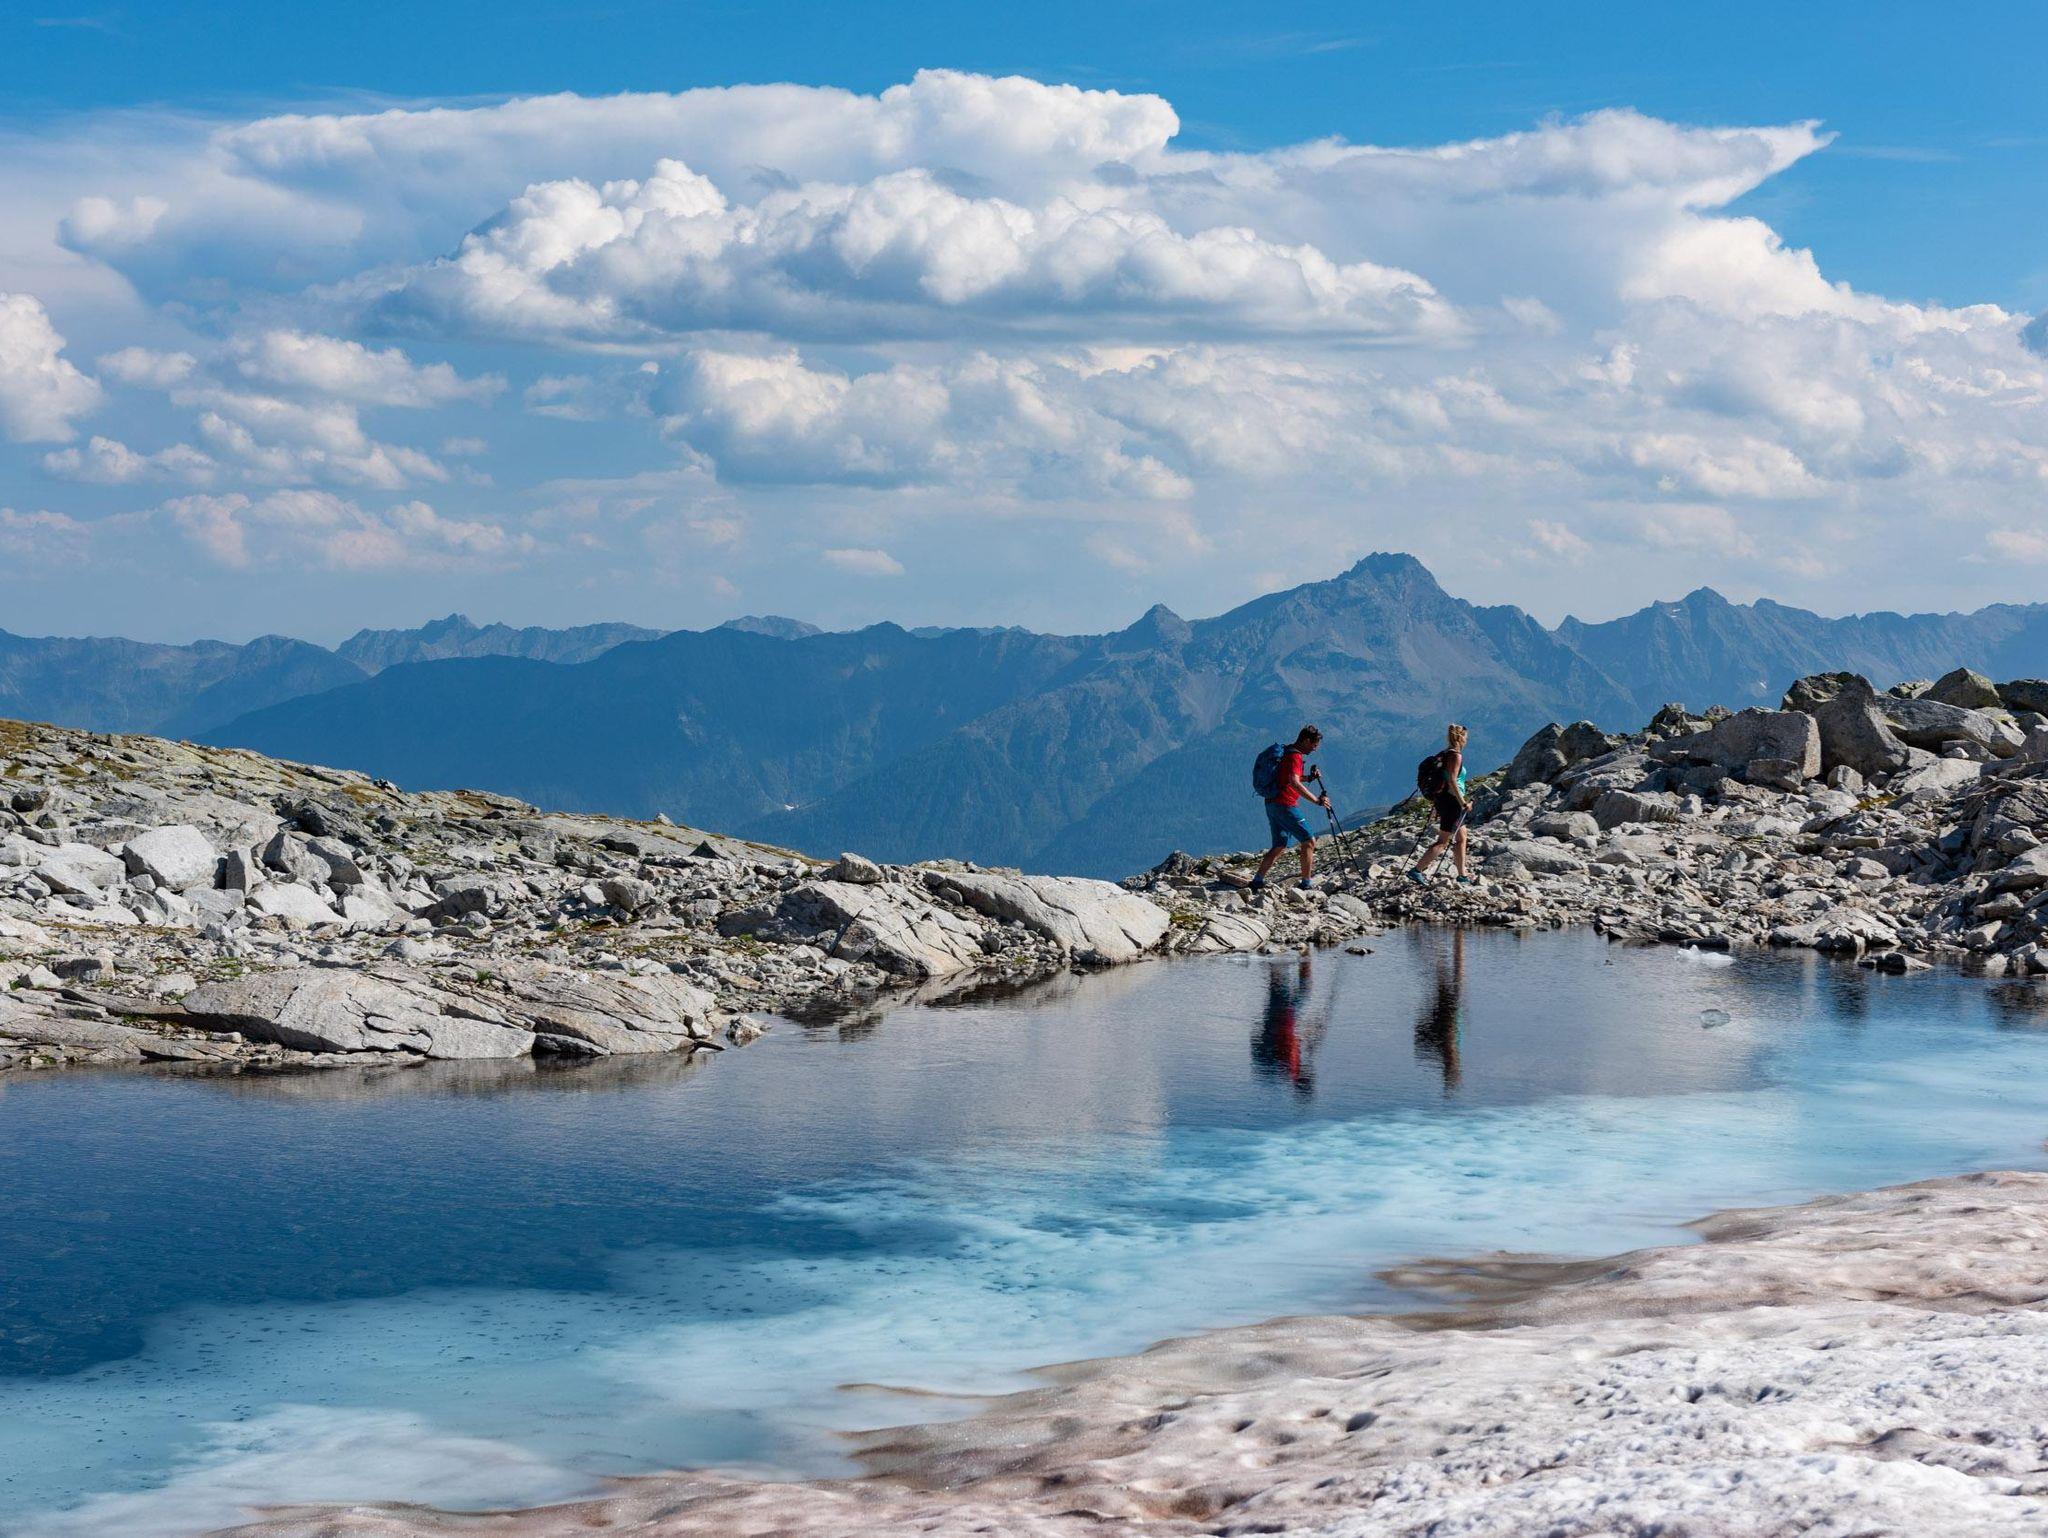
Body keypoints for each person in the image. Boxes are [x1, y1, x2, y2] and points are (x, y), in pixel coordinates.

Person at [1252, 725, 1331, 892]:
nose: (1315, 749)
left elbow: (1288, 777)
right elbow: (1294, 783)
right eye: (1314, 744)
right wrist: (1317, 801)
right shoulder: (1295, 756)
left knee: (1280, 844)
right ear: (1306, 740)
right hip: (1285, 804)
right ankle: (1306, 884)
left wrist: (1309, 778)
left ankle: (1257, 881)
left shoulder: (1287, 752)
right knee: (1309, 840)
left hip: (1272, 803)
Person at [1408, 723, 1473, 885]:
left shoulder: (1444, 754)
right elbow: (1452, 781)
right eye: (1465, 737)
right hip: (1452, 802)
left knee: (1462, 838)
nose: (1467, 740)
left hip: (1444, 800)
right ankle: (1417, 870)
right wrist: (1463, 803)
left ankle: (1462, 875)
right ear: (1461, 738)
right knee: (1443, 841)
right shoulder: (1456, 756)